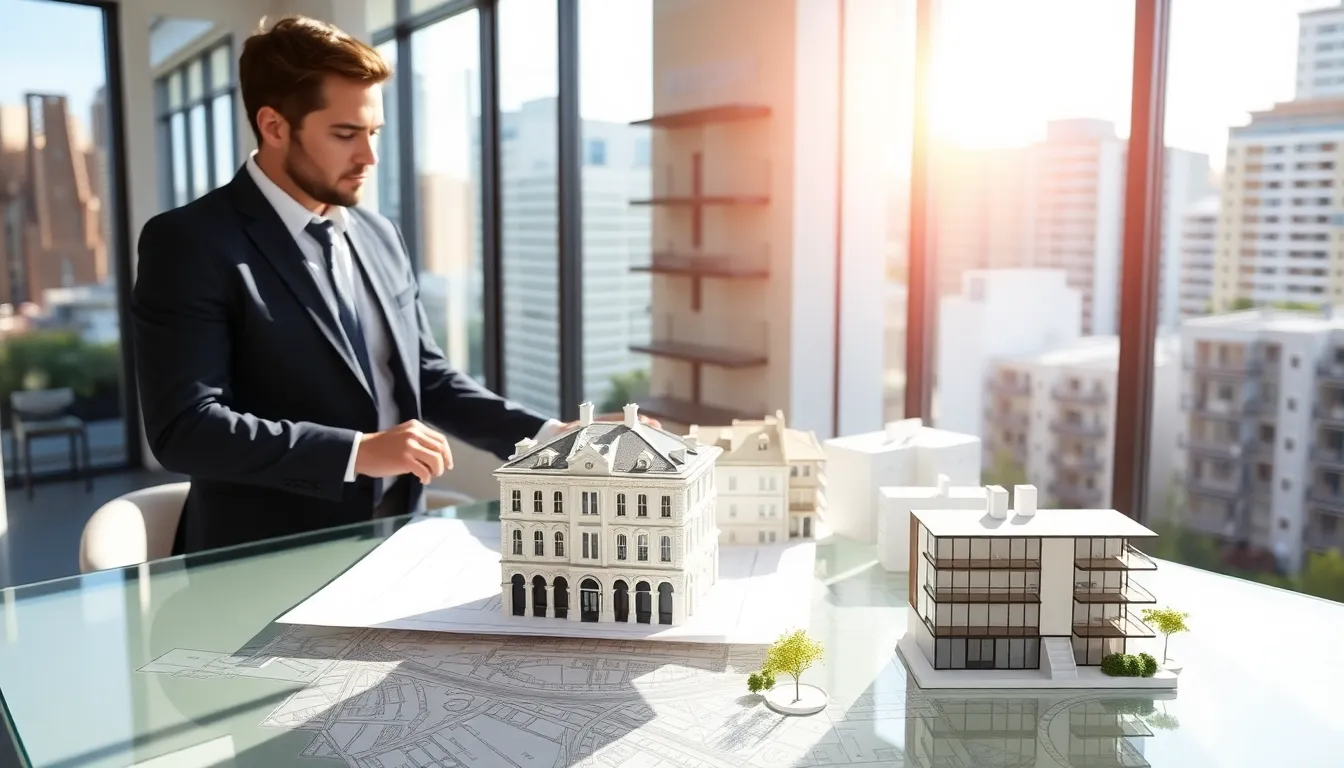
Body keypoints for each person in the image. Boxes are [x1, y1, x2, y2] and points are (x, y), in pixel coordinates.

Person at [132, 15, 655, 555]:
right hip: (266, 556)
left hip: (397, 539)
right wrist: (356, 452)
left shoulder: (379, 234)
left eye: (374, 132)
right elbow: (186, 429)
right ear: (274, 126)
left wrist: (551, 438)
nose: (369, 157)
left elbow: (426, 376)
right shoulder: (190, 242)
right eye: (345, 134)